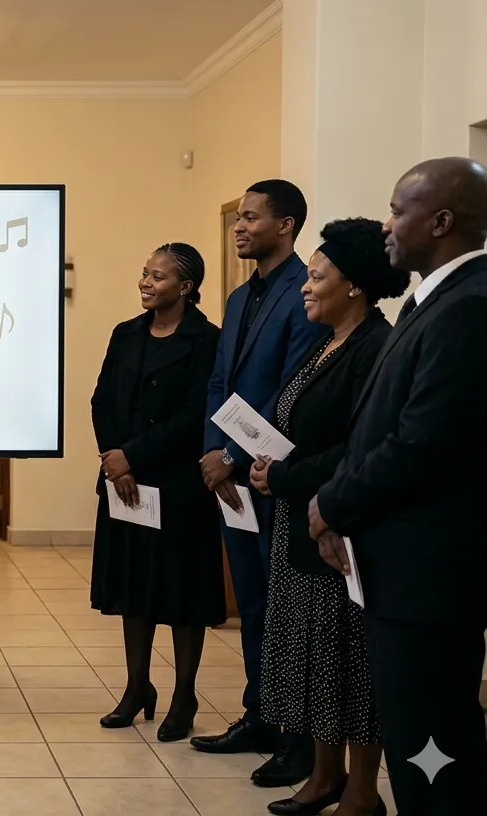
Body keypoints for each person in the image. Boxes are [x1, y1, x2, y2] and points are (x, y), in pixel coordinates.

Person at [310, 157, 487, 816]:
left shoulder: (469, 305)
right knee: (418, 736)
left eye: (397, 210)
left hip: (429, 575)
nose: (386, 225)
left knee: (433, 747)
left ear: (440, 221)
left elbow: (421, 443)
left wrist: (332, 501)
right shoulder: (431, 299)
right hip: (400, 566)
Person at [249, 218, 407, 816]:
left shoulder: (375, 347)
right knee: (316, 659)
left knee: (349, 662)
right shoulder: (326, 341)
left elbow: (360, 443)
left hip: (339, 527)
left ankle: (362, 793)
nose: (305, 288)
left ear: (355, 289)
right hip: (299, 518)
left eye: (316, 277)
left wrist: (285, 476)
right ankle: (323, 776)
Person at [193, 179, 328, 787]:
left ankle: (297, 735)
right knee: (250, 603)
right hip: (230, 473)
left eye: (251, 217)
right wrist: (210, 456)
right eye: (237, 218)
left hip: (273, 474)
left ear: (287, 225)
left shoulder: (306, 292)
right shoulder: (238, 297)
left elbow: (289, 392)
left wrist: (231, 453)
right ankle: (261, 715)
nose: (239, 227)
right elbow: (221, 382)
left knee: (285, 609)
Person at [90, 243, 225, 743]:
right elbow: (102, 399)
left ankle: (184, 693)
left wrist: (135, 456)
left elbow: (195, 415)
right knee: (134, 589)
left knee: (181, 593)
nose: (146, 283)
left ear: (185, 287)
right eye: (144, 273)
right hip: (124, 483)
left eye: (159, 277)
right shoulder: (125, 334)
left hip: (178, 486)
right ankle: (136, 687)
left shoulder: (206, 340)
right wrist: (114, 458)